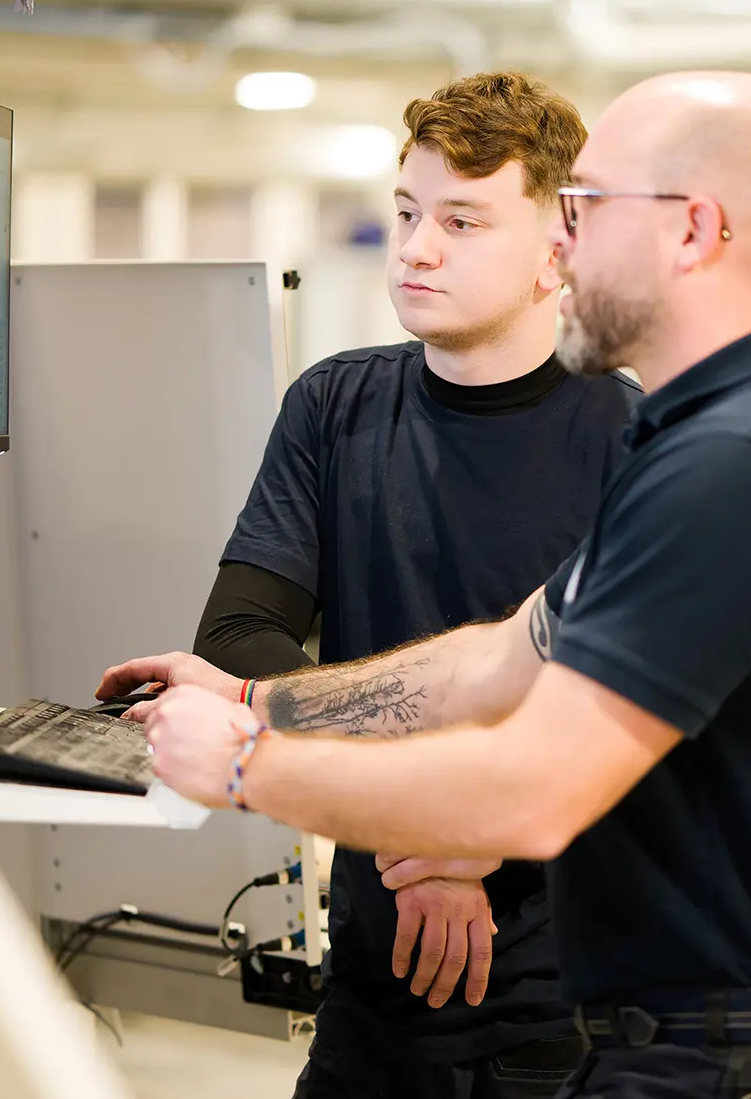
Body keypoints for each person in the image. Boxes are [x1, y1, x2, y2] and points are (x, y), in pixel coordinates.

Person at [107, 72, 751, 1098]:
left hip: (735, 1053)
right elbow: (500, 658)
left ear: (691, 231)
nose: (568, 245)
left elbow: (533, 792)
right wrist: (255, 696)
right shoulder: (713, 443)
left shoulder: (743, 464)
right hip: (672, 1037)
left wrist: (246, 767)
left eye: (585, 209)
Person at [195, 71, 638, 1099]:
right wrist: (422, 828)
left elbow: (636, 722)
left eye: (463, 220)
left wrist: (456, 830)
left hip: (576, 1009)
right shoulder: (333, 408)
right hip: (374, 985)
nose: (416, 247)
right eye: (406, 213)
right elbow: (239, 636)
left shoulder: (634, 441)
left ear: (557, 250)